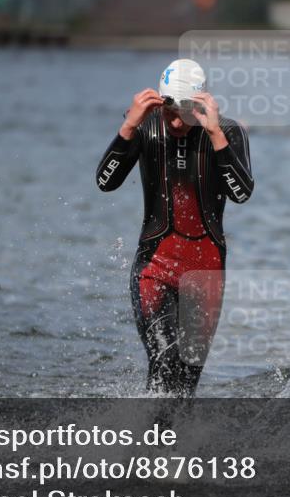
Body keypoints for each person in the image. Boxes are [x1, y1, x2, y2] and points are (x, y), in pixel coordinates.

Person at [96, 59, 253, 397]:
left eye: (186, 112)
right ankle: (150, 445)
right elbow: (105, 182)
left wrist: (215, 135)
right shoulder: (145, 126)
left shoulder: (226, 131)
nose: (178, 121)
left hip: (206, 272)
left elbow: (241, 193)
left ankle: (170, 443)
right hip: (155, 267)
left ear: (200, 104)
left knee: (185, 381)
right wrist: (127, 130)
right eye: (170, 113)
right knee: (164, 357)